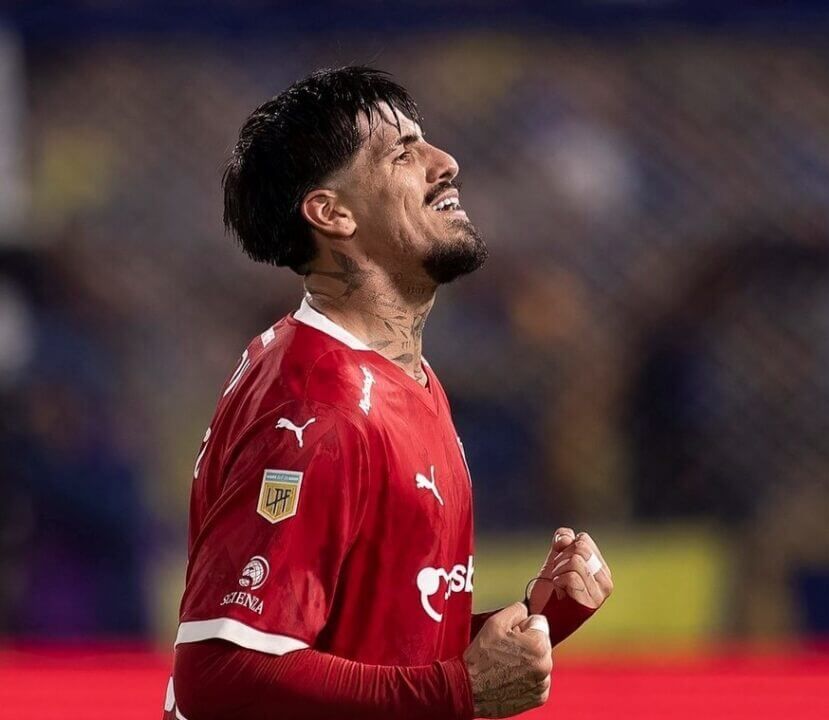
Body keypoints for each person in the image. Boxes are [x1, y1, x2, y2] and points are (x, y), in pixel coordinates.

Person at [163, 67, 613, 720]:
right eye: (402, 154)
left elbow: (372, 644)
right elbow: (219, 675)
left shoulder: (396, 376)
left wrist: (534, 620)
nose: (445, 162)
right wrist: (460, 691)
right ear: (332, 213)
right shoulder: (321, 409)